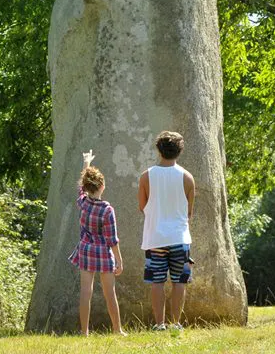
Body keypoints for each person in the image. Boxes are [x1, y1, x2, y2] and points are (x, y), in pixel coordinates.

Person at [138, 131, 195, 331]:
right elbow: (189, 212)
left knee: (157, 281)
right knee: (180, 281)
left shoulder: (146, 176)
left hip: (155, 238)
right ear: (180, 151)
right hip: (180, 238)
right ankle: (176, 323)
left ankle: (159, 324)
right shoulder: (187, 178)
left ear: (158, 149)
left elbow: (142, 206)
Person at [69, 150, 126, 336]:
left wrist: (86, 163)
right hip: (102, 252)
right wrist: (119, 260)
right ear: (102, 186)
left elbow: (81, 189)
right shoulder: (107, 210)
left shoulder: (83, 202)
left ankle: (84, 331)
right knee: (110, 293)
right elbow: (112, 239)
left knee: (86, 291)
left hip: (85, 249)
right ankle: (117, 329)